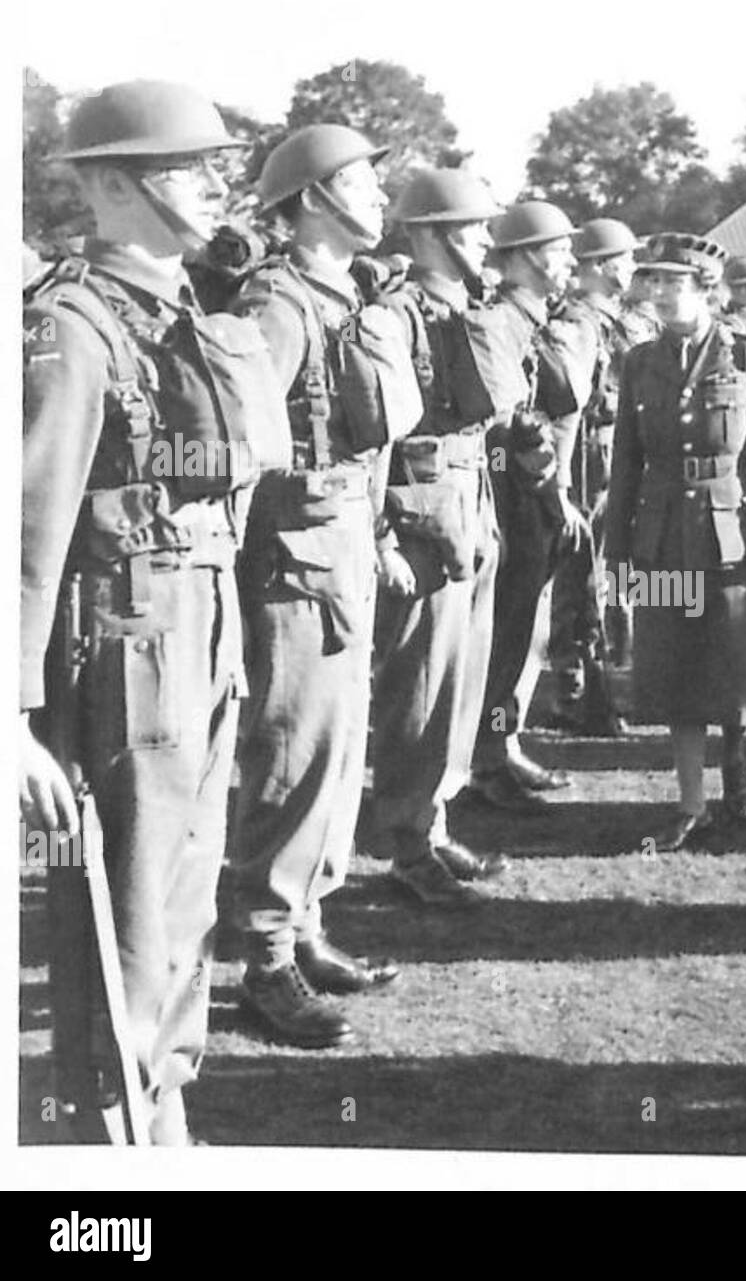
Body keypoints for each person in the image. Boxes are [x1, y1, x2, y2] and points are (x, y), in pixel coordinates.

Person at [22, 80, 284, 1142]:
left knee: (183, 906)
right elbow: (27, 539)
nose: (219, 183)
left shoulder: (177, 311)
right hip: (126, 647)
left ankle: (163, 1123)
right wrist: (10, 716)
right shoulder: (72, 327)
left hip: (197, 630)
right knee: (129, 920)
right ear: (113, 183)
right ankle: (116, 1146)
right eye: (192, 165)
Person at [228, 124, 423, 1047]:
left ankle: (306, 924)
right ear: (311, 199)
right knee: (290, 754)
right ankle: (263, 961)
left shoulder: (344, 294)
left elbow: (371, 438)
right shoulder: (278, 303)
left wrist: (377, 531)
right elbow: (244, 448)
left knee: (340, 753)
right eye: (359, 182)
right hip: (292, 563)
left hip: (344, 546)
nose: (380, 199)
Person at [605, 232, 746, 849]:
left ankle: (735, 756)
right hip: (661, 534)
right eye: (652, 282)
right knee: (675, 664)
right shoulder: (638, 362)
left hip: (727, 532)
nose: (658, 294)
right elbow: (625, 466)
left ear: (705, 290)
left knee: (730, 657)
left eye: (672, 283)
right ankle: (691, 802)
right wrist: (617, 555)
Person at [366, 168, 510, 907]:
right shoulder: (397, 312)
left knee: (458, 680)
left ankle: (434, 816)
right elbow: (379, 437)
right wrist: (384, 533)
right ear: (429, 233)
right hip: (424, 517)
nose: (487, 238)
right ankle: (405, 839)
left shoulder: (467, 306)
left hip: (468, 509)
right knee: (416, 687)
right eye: (472, 226)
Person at [470, 200, 598, 812]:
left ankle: (505, 744)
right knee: (507, 633)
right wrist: (555, 494)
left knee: (529, 635)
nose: (569, 258)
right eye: (558, 247)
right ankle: (486, 760)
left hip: (536, 501)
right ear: (522, 255)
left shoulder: (536, 319)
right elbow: (513, 426)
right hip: (514, 503)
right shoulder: (499, 323)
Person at [548, 216, 642, 733]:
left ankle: (596, 686)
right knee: (581, 582)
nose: (631, 270)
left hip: (609, 460)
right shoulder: (582, 322)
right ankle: (578, 694)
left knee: (604, 581)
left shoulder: (611, 319)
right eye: (625, 260)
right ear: (603, 266)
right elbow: (569, 410)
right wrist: (562, 482)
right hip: (587, 462)